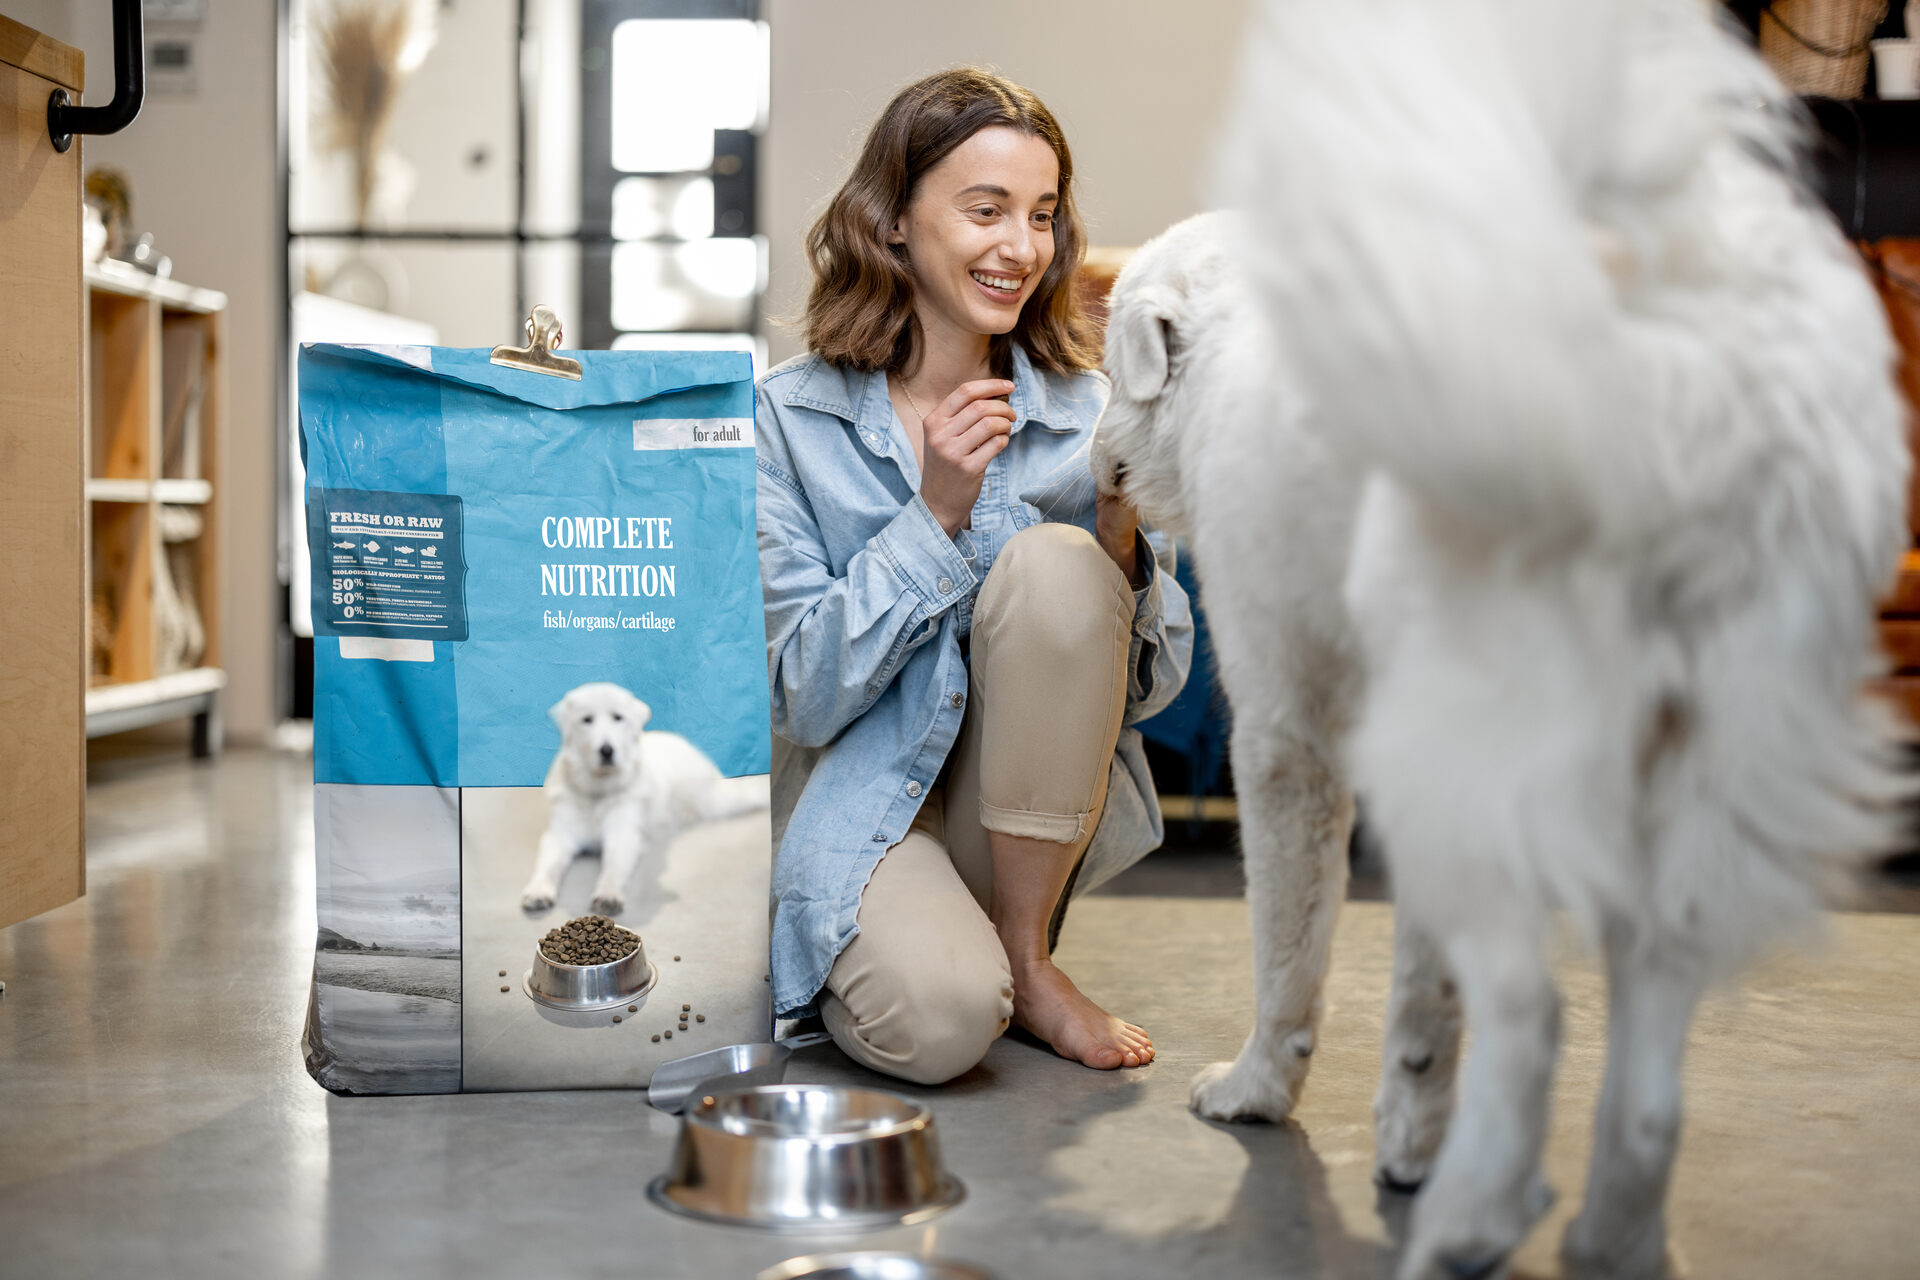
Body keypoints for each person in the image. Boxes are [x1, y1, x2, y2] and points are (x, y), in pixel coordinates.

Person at [755, 67, 1194, 1086]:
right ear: (894, 221)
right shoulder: (784, 420)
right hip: (859, 804)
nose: (1020, 248)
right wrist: (935, 513)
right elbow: (799, 695)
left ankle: (1028, 955)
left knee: (1058, 561)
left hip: (1016, 827)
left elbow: (1145, 700)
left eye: (1041, 215)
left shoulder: (1091, 416)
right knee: (943, 1024)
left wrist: (1122, 542)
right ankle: (887, 937)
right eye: (985, 210)